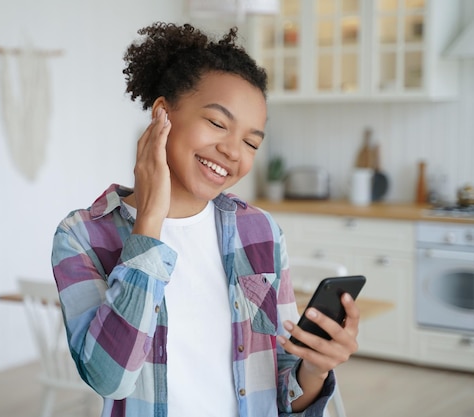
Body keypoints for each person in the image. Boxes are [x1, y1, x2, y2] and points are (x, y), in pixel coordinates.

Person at [51, 22, 360, 417]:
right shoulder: (82, 236)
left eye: (251, 142)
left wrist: (315, 367)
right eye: (217, 123)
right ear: (163, 114)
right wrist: (149, 221)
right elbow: (108, 377)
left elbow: (282, 391)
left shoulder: (260, 232)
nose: (233, 151)